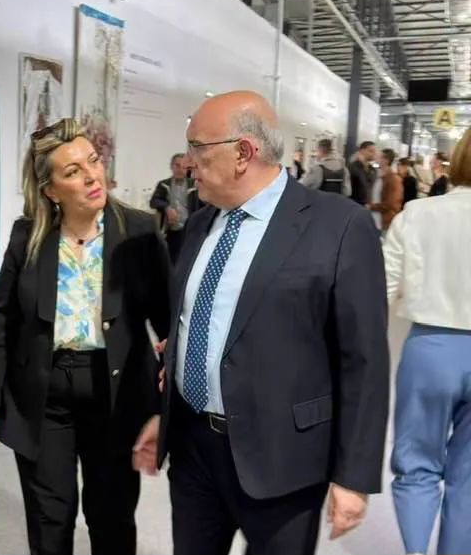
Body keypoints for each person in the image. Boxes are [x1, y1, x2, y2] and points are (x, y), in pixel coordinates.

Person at [133, 91, 389, 555]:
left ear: (243, 153)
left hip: (283, 461)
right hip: (194, 452)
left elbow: (364, 362)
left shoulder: (339, 225)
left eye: (197, 148)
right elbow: (192, 324)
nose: (188, 163)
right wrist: (164, 412)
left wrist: (353, 477)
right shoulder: (200, 224)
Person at [0, 117, 172, 555]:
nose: (92, 176)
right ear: (51, 190)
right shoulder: (28, 235)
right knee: (51, 518)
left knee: (111, 515)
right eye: (73, 171)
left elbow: (168, 323)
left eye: (94, 161)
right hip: (44, 398)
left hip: (116, 395)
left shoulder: (139, 230)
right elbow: (2, 320)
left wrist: (165, 408)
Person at [384, 130, 471, 555]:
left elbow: (381, 287)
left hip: (431, 347)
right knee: (469, 476)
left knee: (416, 463)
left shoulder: (418, 214)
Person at [151, 152, 203, 262]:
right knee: (170, 260)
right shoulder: (164, 185)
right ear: (171, 166)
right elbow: (154, 201)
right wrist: (167, 208)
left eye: (183, 166)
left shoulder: (195, 185)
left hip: (190, 230)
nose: (180, 169)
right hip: (170, 231)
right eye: (177, 165)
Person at [367, 148, 403, 233]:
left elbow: (391, 203)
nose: (376, 158)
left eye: (379, 157)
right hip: (375, 221)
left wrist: (371, 207)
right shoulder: (379, 176)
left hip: (384, 223)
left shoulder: (393, 179)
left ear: (386, 160)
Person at [348, 141, 377, 206]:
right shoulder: (353, 167)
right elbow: (363, 183)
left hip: (369, 205)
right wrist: (363, 163)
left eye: (374, 152)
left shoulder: (373, 167)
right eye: (371, 151)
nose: (373, 154)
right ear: (362, 151)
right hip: (356, 204)